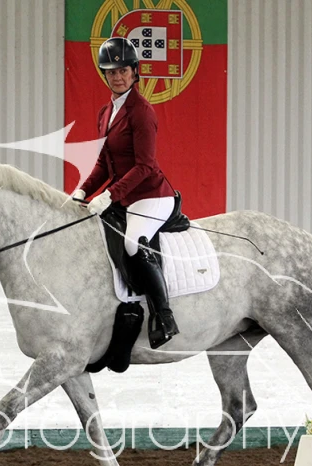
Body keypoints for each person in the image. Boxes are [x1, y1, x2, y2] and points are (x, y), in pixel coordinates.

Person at [71, 37, 179, 349]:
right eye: (111, 72)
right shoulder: (105, 112)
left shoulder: (142, 112)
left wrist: (109, 195)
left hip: (152, 195)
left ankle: (164, 316)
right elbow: (103, 164)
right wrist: (82, 191)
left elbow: (145, 166)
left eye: (122, 70)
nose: (117, 77)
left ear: (134, 71)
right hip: (124, 196)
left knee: (133, 243)